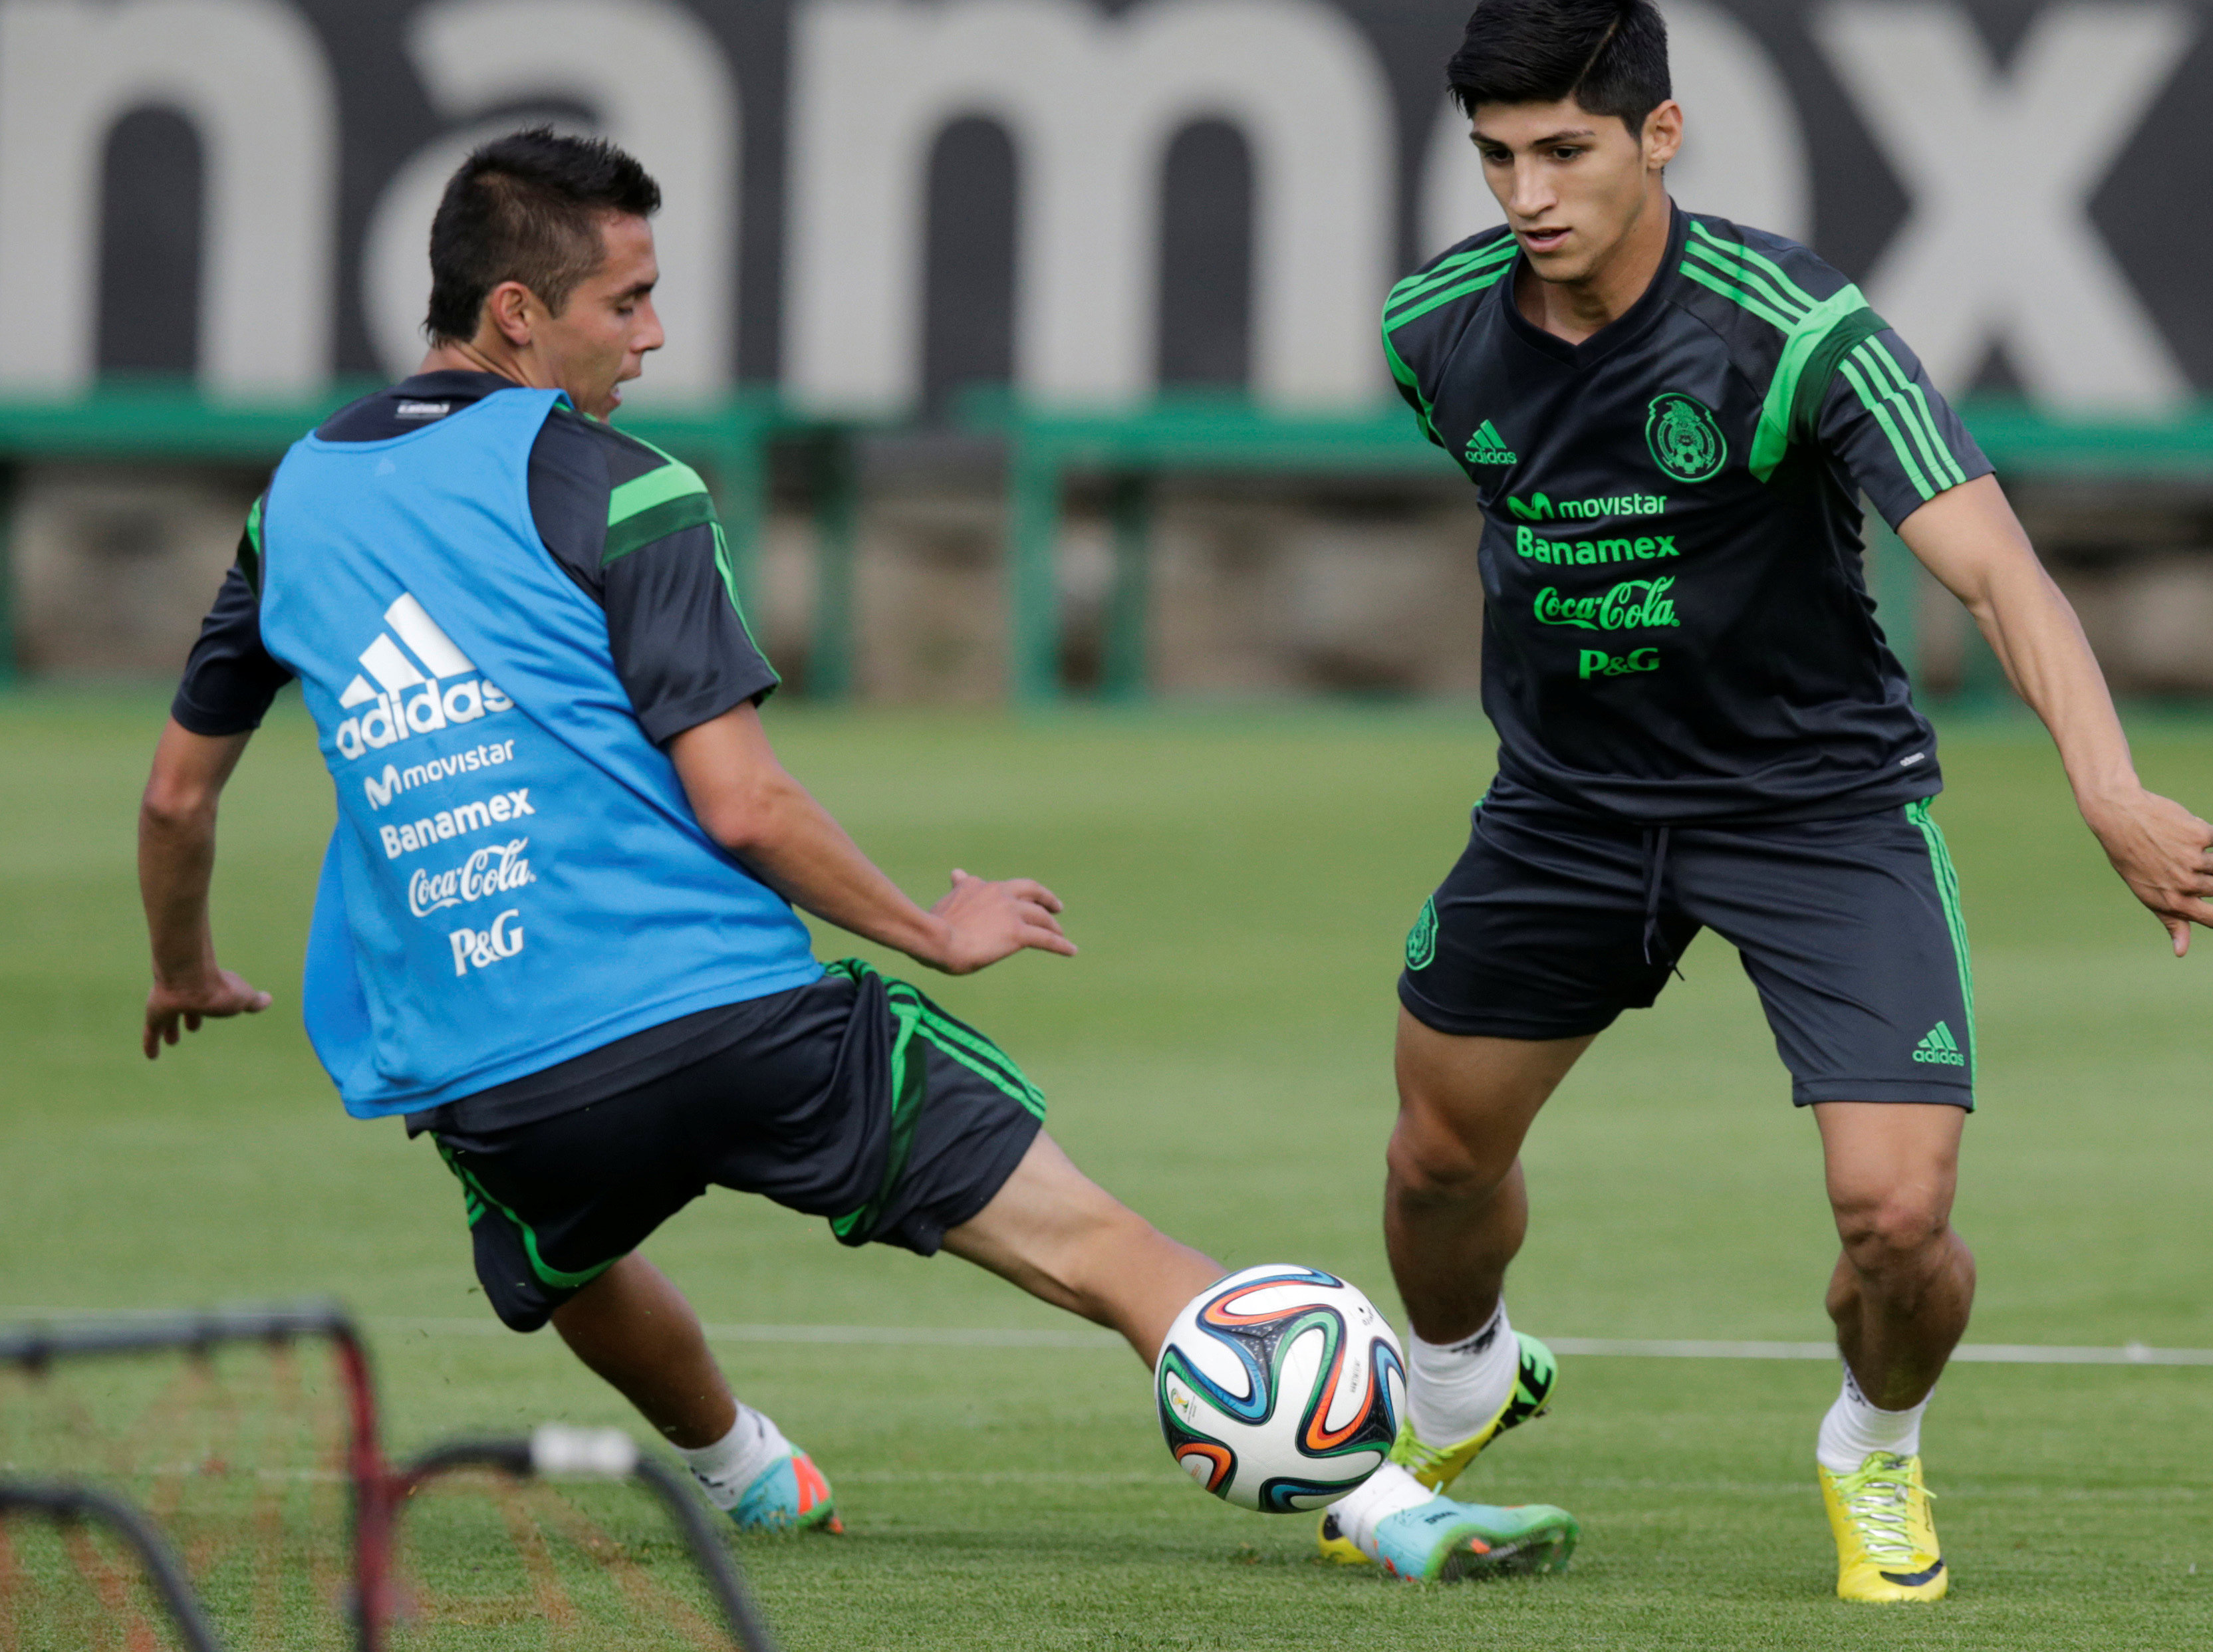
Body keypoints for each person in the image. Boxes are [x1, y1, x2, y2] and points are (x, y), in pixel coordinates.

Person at [135, 125, 1567, 1579]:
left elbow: (180, 801)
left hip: (503, 1081)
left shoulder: (288, 505)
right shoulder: (622, 488)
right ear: (517, 312)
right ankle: (1395, 1507)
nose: (654, 333)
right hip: (738, 1022)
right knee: (1092, 1241)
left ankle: (746, 1470)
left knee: (558, 1263)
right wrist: (928, 928)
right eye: (624, 301)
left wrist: (184, 965)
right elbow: (743, 805)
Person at [1315, 0, 2213, 1601]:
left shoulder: (1797, 333)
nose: (1528, 195)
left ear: (1660, 135)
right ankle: (1461, 1383)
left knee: (1897, 1215)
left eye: (1567, 153)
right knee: (1433, 1163)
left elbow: (2003, 575)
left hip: (1815, 812)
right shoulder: (1428, 331)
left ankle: (1873, 1449)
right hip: (1565, 812)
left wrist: (2107, 787)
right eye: (1497, 157)